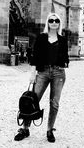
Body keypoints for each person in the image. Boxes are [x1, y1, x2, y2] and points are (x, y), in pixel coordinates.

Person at [14, 12, 69, 143]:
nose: (54, 23)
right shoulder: (41, 38)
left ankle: (50, 130)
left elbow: (66, 57)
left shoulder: (62, 40)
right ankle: (25, 129)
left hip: (58, 73)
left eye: (56, 21)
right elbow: (35, 57)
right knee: (32, 100)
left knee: (54, 103)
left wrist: (65, 63)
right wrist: (32, 73)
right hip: (43, 72)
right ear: (48, 23)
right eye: (51, 20)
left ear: (59, 23)